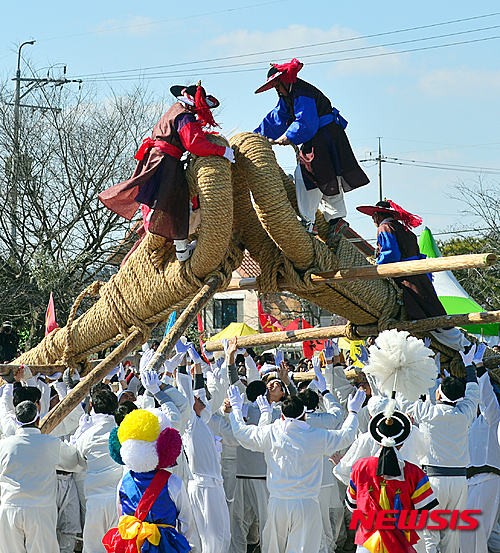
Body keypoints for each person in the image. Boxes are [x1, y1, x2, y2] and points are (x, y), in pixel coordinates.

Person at [99, 82, 235, 262]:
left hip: (155, 158)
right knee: (175, 202)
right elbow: (194, 143)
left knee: (156, 200)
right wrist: (222, 151)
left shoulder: (175, 110)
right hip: (166, 162)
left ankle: (173, 244)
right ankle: (181, 250)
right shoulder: (185, 116)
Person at [228, 385, 364, 553]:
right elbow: (346, 435)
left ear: (283, 415)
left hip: (278, 503)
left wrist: (235, 408)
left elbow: (241, 433)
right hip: (306, 505)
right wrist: (353, 412)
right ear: (305, 415)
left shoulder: (272, 433)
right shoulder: (317, 436)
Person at [253, 58, 369, 241]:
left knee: (307, 176)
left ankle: (308, 221)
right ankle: (336, 220)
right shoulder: (290, 95)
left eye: (276, 85)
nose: (276, 89)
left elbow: (306, 122)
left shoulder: (301, 93)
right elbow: (276, 118)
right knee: (328, 176)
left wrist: (287, 136)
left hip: (321, 137)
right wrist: (256, 136)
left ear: (283, 81)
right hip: (329, 136)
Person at [356, 199, 469, 351]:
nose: (373, 220)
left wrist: (377, 266)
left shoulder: (385, 227)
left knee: (429, 316)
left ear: (377, 216)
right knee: (433, 311)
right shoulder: (403, 229)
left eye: (373, 217)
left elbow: (391, 254)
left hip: (406, 277)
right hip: (418, 274)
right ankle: (463, 345)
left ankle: (464, 347)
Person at [406, 344, 481, 553]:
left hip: (433, 481)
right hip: (459, 481)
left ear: (438, 395)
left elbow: (409, 396)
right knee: (452, 534)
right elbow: (473, 393)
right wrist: (469, 366)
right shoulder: (465, 413)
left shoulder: (427, 412)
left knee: (430, 533)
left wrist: (425, 364)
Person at [347, 407, 438, 553]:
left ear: (377, 440)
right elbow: (425, 512)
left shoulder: (359, 467)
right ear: (402, 442)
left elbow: (352, 505)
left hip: (367, 543)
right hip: (401, 543)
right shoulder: (414, 473)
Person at [103, 409, 196, 552]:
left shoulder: (123, 482)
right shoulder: (173, 482)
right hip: (165, 545)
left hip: (132, 545)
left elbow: (121, 515)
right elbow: (186, 520)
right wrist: (182, 543)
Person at [0, 400, 84, 553]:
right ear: (38, 420)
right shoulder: (52, 443)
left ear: (16, 421)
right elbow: (74, 462)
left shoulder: (3, 445)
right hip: (40, 510)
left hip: (9, 509)